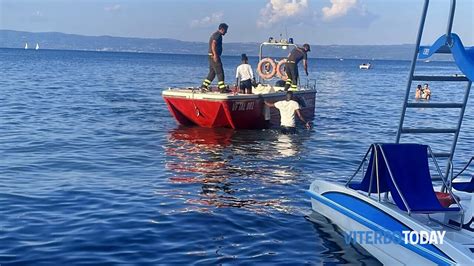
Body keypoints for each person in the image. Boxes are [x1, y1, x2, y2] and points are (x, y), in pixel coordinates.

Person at [201, 23, 229, 93]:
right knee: (220, 72)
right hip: (214, 56)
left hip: (211, 56)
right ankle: (222, 88)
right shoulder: (218, 35)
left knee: (212, 73)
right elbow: (213, 44)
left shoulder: (216, 34)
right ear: (222, 29)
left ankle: (204, 86)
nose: (226, 32)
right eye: (225, 30)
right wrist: (215, 55)